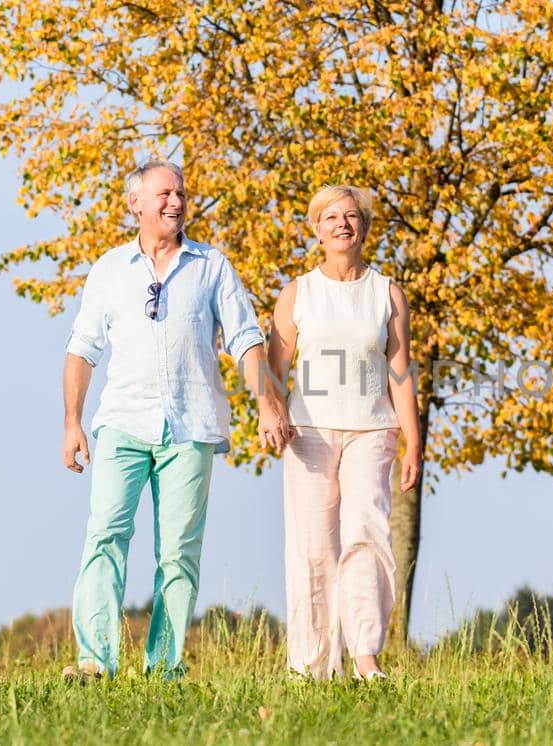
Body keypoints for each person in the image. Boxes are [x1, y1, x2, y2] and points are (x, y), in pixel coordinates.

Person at [60, 159, 291, 681]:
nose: (175, 202)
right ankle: (94, 661)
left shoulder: (211, 266)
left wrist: (268, 404)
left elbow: (245, 340)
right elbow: (81, 349)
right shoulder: (109, 270)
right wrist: (72, 422)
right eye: (164, 194)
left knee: (178, 554)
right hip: (122, 421)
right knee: (104, 536)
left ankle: (163, 667)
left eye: (181, 194)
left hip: (191, 427)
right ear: (135, 203)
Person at [267, 185, 422, 680]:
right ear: (317, 230)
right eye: (331, 217)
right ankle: (311, 664)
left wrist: (414, 442)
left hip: (372, 431)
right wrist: (271, 416)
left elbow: (400, 372)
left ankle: (365, 656)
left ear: (364, 229)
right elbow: (274, 372)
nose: (342, 224)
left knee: (366, 536)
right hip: (307, 433)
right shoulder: (297, 294)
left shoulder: (387, 293)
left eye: (351, 216)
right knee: (312, 547)